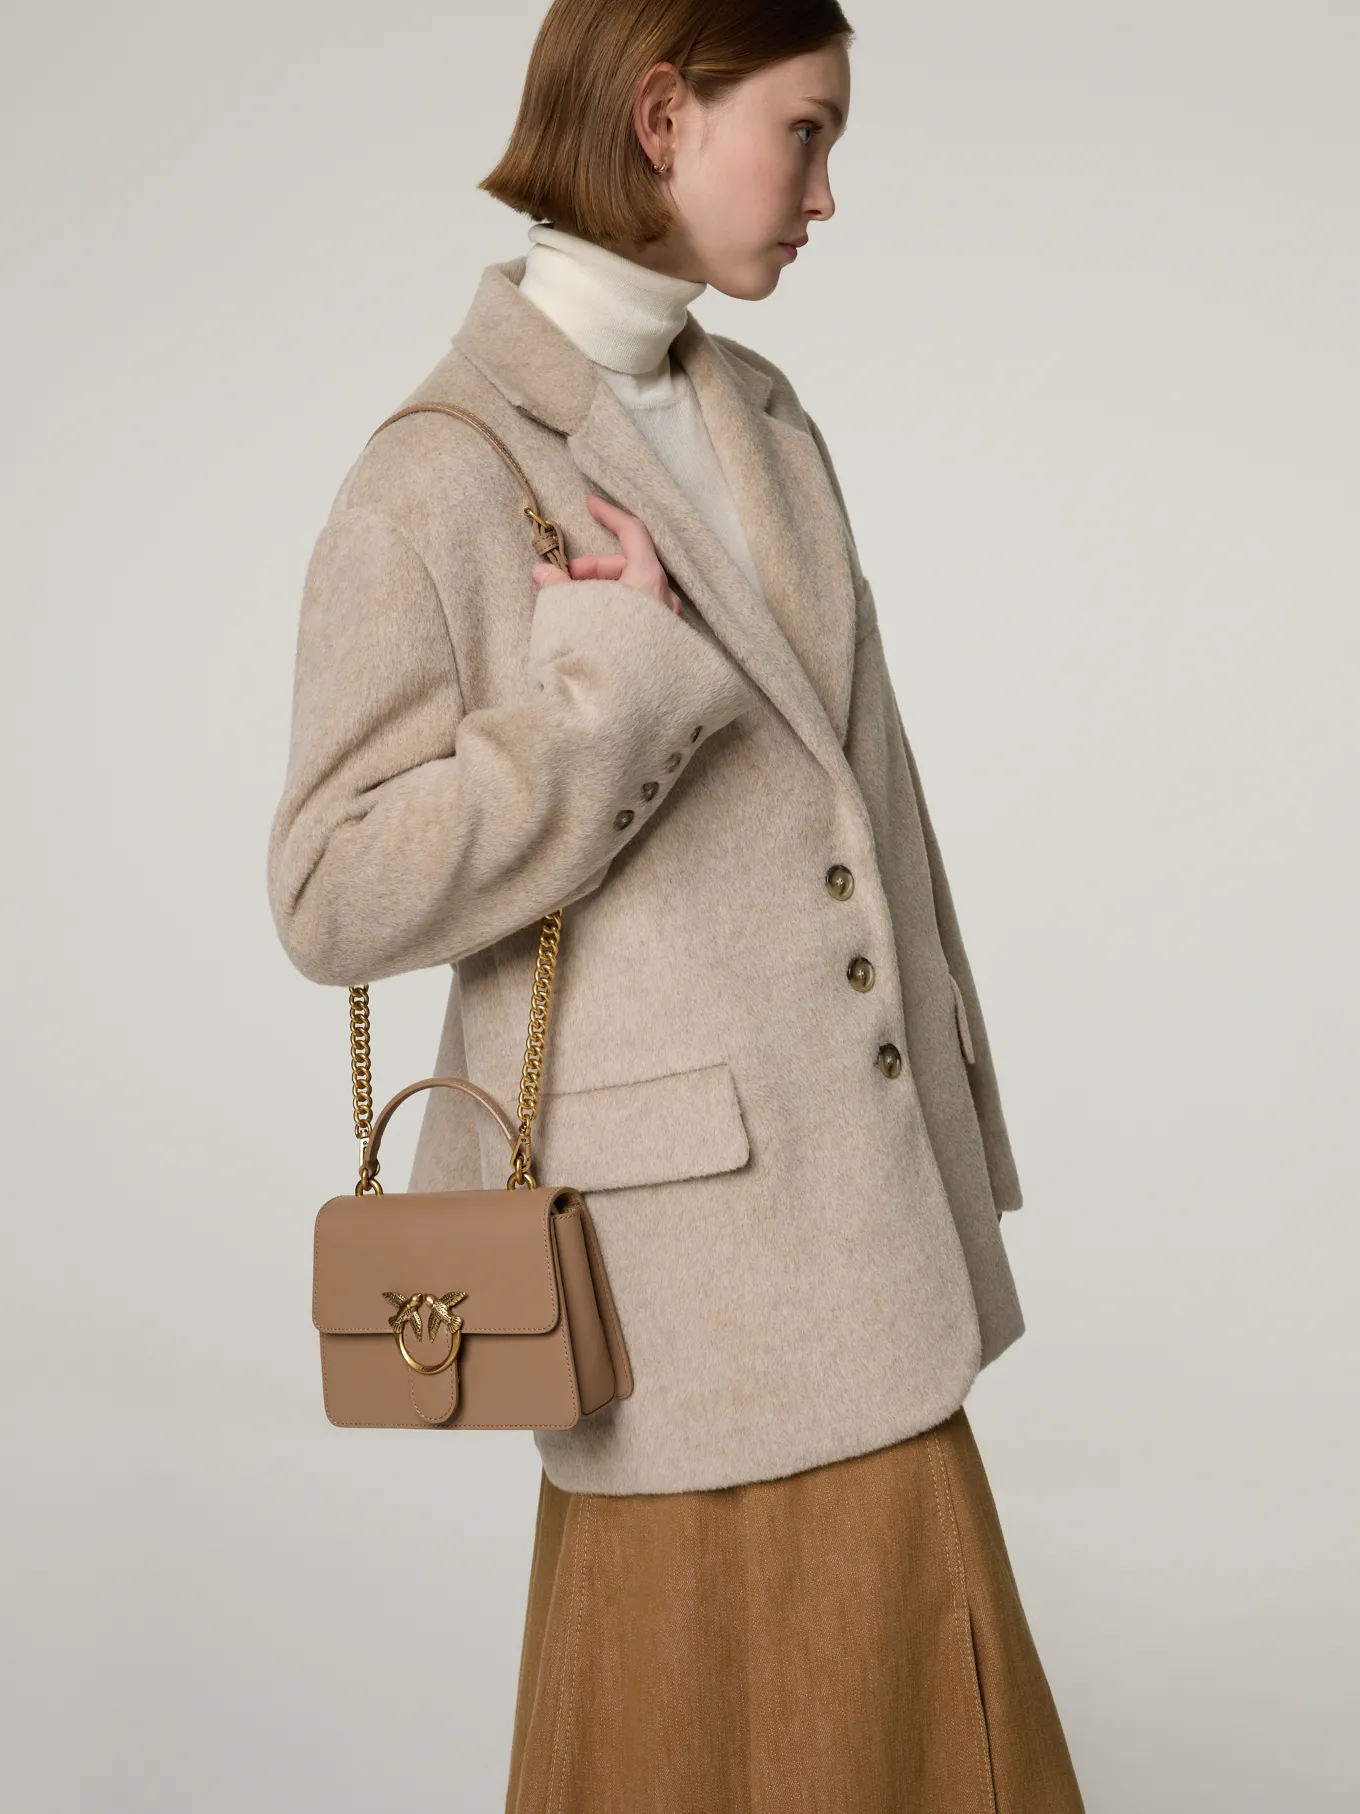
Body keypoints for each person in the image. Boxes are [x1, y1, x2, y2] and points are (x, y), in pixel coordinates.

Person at [267, 2, 1086, 1808]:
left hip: (869, 1220)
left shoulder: (764, 415)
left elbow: (870, 811)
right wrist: (604, 697)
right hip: (676, 1290)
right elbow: (328, 886)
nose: (828, 192)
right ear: (661, 118)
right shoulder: (436, 473)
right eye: (805, 132)